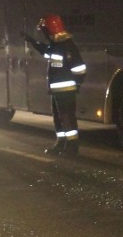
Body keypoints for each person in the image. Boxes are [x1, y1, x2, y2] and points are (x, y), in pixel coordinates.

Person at [23, 14, 87, 156]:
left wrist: (76, 85)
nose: (44, 33)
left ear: (51, 30)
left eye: (45, 30)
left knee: (67, 118)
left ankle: (71, 147)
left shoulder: (66, 46)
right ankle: (61, 143)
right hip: (57, 91)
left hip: (65, 91)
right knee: (59, 118)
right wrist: (33, 42)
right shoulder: (57, 45)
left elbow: (80, 68)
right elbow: (46, 51)